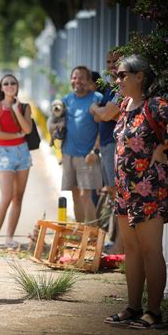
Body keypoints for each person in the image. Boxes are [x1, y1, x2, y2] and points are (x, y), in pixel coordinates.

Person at [104, 54, 168, 329]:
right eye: (117, 75)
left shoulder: (156, 105)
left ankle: (154, 312)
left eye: (123, 74)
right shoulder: (125, 105)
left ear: (140, 76)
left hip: (150, 189)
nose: (118, 80)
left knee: (151, 250)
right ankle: (133, 307)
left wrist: (165, 151)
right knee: (133, 250)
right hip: (126, 191)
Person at [0, 74, 33, 248]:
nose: (9, 86)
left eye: (13, 83)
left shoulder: (24, 107)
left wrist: (15, 110)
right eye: (5, 83)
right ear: (1, 88)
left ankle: (9, 238)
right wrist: (16, 135)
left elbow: (27, 129)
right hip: (5, 154)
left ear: (17, 86)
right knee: (6, 196)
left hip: (23, 153)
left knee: (17, 198)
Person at [90, 50, 123, 253]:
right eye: (108, 61)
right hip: (105, 145)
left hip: (114, 145)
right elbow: (99, 117)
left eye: (115, 61)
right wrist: (100, 112)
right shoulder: (111, 88)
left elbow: (104, 113)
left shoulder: (120, 90)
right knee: (112, 194)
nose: (111, 65)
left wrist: (95, 108)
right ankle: (115, 240)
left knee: (116, 194)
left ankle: (120, 244)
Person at [61, 66, 103, 222]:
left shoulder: (96, 98)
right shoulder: (66, 100)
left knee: (85, 195)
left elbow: (102, 129)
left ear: (88, 80)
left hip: (88, 155)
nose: (77, 81)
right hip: (68, 153)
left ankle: (91, 235)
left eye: (81, 78)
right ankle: (79, 234)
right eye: (74, 77)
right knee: (75, 195)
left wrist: (95, 150)